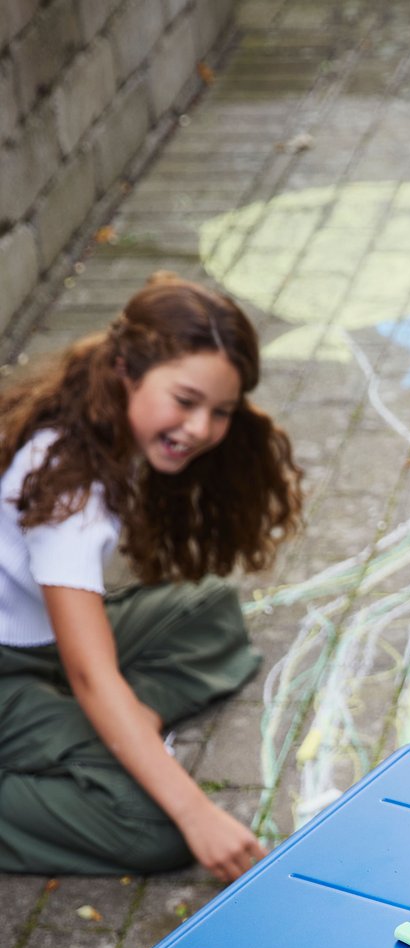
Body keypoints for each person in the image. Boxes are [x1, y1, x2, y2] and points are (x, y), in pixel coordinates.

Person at [0, 273, 302, 882]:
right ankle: (102, 733)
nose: (200, 428)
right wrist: (195, 811)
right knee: (154, 828)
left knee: (209, 611)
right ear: (125, 370)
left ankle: (117, 724)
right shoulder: (68, 493)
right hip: (12, 669)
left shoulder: (96, 422)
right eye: (185, 401)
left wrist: (119, 709)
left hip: (41, 642)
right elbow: (90, 673)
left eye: (220, 412)